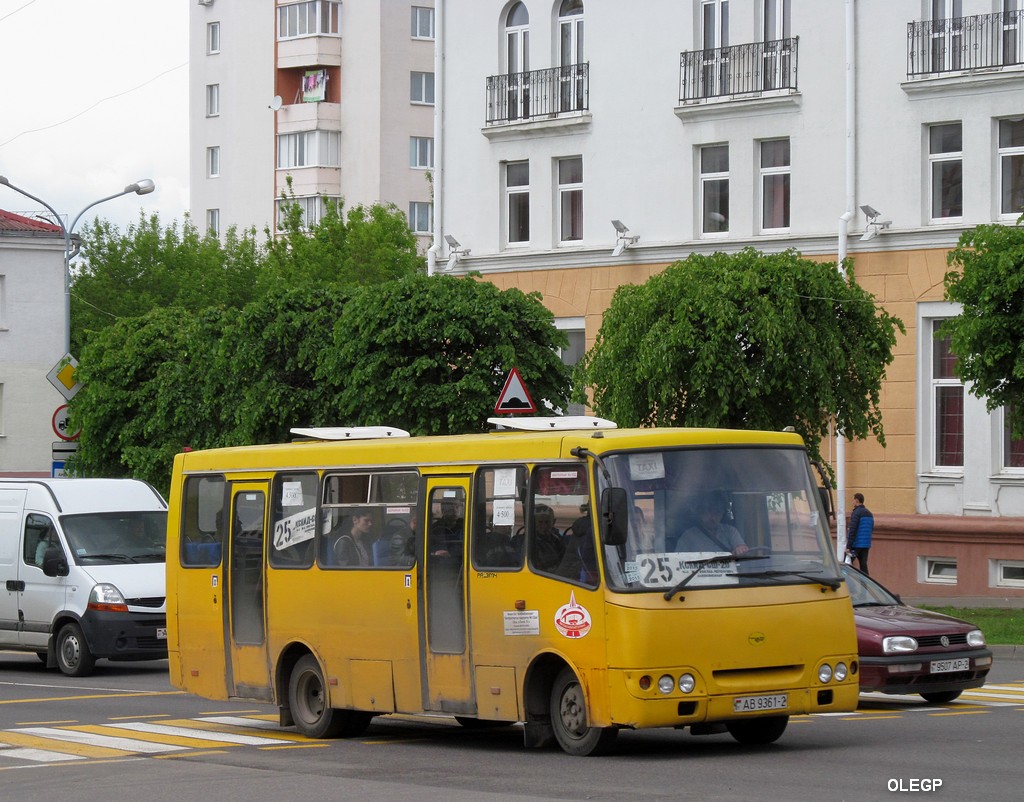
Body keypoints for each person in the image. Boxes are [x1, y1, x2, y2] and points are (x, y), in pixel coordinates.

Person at [675, 492, 749, 555]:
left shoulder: (730, 531)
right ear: (700, 513)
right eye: (708, 512)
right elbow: (678, 562)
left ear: (723, 513)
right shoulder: (687, 537)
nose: (712, 517)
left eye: (717, 512)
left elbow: (742, 549)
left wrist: (740, 549)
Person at [847, 492, 874, 575]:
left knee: (847, 564)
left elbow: (853, 530)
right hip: (866, 545)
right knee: (863, 566)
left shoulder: (856, 513)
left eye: (854, 500)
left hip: (856, 544)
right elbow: (871, 528)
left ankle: (848, 584)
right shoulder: (869, 514)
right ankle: (866, 585)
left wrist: (849, 546)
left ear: (857, 500)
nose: (853, 502)